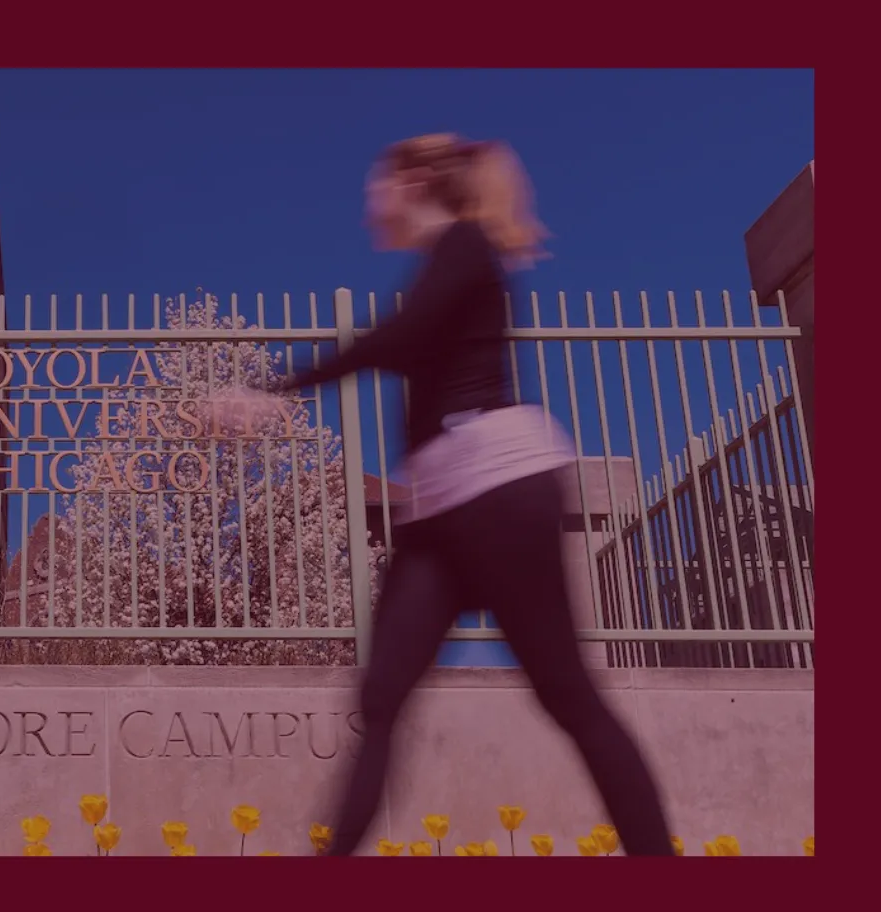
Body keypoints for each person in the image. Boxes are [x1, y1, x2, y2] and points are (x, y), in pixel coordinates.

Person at [279, 133, 675, 856]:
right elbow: (409, 342)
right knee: (381, 694)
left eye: (375, 187)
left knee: (567, 695)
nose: (368, 205)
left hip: (500, 491)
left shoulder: (465, 246)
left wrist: (281, 388)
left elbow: (400, 338)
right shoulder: (447, 260)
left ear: (413, 183)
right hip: (439, 512)